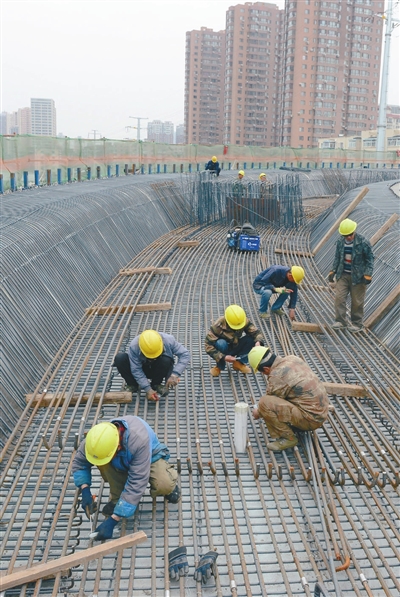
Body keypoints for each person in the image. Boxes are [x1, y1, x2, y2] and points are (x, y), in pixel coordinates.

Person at [72, 416, 180, 541]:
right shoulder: (94, 441)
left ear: (117, 447)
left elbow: (138, 481)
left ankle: (170, 484)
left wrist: (113, 520)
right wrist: (85, 489)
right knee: (104, 463)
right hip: (121, 459)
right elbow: (79, 463)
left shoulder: (139, 441)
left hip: (149, 457)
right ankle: (118, 500)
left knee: (163, 484)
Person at [248, 346, 329, 451]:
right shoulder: (292, 358)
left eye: (263, 372)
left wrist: (258, 412)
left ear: (266, 369)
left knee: (264, 403)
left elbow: (270, 400)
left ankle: (289, 438)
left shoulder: (277, 375)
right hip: (320, 412)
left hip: (310, 419)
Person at [113, 330, 190, 401]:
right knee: (120, 358)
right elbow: (136, 369)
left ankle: (156, 384)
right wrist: (148, 389)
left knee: (166, 360)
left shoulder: (168, 340)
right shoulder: (135, 346)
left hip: (158, 368)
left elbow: (185, 354)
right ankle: (132, 385)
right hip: (143, 367)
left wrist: (174, 374)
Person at [329, 218, 374, 333]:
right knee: (339, 298)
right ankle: (340, 321)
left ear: (354, 231)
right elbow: (337, 257)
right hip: (343, 274)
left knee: (357, 301)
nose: (348, 237)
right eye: (346, 235)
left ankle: (357, 323)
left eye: (350, 234)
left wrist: (368, 274)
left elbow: (370, 259)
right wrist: (333, 270)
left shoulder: (363, 242)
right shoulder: (340, 242)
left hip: (358, 277)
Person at [205, 304, 265, 377]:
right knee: (221, 343)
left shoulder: (243, 320)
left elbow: (256, 333)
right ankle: (219, 367)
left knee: (252, 339)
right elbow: (208, 345)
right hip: (223, 349)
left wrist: (258, 343)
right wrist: (224, 357)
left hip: (236, 345)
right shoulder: (218, 325)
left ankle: (239, 363)